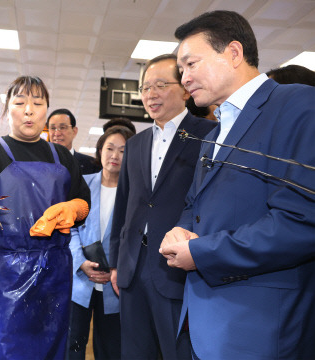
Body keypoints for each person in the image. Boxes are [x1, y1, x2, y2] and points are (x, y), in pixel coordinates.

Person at [160, 10, 315, 359]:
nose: (184, 78)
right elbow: (194, 206)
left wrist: (200, 253)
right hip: (204, 322)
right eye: (180, 69)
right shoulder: (215, 132)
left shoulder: (298, 105)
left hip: (259, 327)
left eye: (190, 64)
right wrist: (180, 232)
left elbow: (301, 221)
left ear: (233, 53)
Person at [0, 76, 91, 360]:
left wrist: (71, 209)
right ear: (8, 109)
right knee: (11, 349)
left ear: (46, 110)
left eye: (37, 103)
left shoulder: (62, 156)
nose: (29, 110)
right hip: (5, 273)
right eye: (19, 102)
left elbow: (83, 202)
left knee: (53, 347)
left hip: (55, 271)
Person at [109, 54, 216, 359]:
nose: (150, 94)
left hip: (176, 266)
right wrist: (117, 261)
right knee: (134, 351)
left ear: (184, 88)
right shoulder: (136, 143)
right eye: (145, 88)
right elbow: (124, 205)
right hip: (132, 266)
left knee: (176, 351)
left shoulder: (209, 135)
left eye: (160, 85)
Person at [69, 125, 134, 360]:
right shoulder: (82, 184)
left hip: (114, 285)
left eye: (123, 151)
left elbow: (137, 237)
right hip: (81, 278)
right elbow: (69, 228)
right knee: (72, 345)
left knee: (110, 349)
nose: (115, 156)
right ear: (100, 151)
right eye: (110, 148)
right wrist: (80, 262)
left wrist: (118, 269)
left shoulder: (135, 193)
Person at [48, 108, 102, 174]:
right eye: (53, 128)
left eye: (62, 127)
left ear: (74, 131)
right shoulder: (38, 163)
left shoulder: (92, 165)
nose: (57, 133)